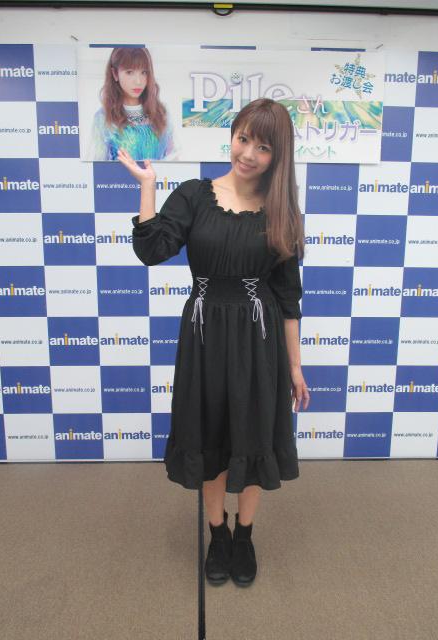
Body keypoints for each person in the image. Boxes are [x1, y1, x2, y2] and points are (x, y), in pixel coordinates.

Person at [124, 98, 310, 588]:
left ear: (278, 155)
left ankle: (244, 535)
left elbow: (288, 299)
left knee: (252, 436)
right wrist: (148, 187)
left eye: (263, 147)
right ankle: (218, 533)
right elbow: (152, 249)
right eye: (243, 138)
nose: (248, 153)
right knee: (207, 437)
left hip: (259, 340)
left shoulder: (283, 213)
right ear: (232, 136)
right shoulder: (194, 195)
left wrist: (294, 367)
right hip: (204, 338)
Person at [89, 47, 175, 161]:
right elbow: (97, 163)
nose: (138, 81)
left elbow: (173, 158)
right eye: (129, 72)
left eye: (143, 72)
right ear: (115, 74)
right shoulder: (103, 118)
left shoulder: (161, 112)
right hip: (119, 174)